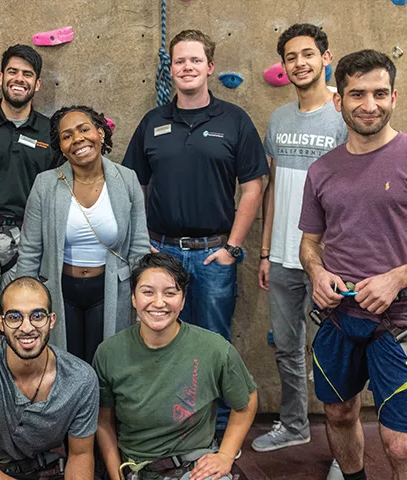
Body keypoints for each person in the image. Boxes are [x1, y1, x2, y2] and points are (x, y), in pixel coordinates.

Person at [122, 29, 268, 435]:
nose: (186, 67)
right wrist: (143, 241)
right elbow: (134, 184)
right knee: (160, 344)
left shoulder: (234, 121)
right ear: (172, 68)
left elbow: (254, 185)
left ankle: (219, 432)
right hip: (162, 256)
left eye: (194, 60)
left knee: (214, 346)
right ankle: (173, 428)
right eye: (179, 61)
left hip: (212, 256)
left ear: (210, 68)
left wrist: (233, 248)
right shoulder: (154, 122)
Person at [299, 50, 407, 480]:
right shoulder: (323, 169)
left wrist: (397, 278)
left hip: (398, 320)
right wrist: (317, 272)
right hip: (339, 318)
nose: (369, 104)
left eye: (380, 93)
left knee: (399, 442)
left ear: (394, 97)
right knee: (340, 414)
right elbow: (310, 242)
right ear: (338, 100)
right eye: (357, 94)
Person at [253, 24, 348, 454]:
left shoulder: (345, 116)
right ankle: (294, 426)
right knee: (288, 350)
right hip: (285, 258)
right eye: (291, 57)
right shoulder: (278, 118)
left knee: (336, 356)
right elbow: (273, 188)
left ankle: (343, 451)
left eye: (308, 54)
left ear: (326, 57)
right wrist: (267, 251)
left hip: (332, 261)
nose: (299, 63)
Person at [93, 252, 257, 480]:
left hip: (195, 468)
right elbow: (104, 423)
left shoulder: (214, 348)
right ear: (133, 298)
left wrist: (226, 456)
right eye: (147, 292)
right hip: (138, 470)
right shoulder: (109, 352)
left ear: (183, 299)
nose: (158, 303)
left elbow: (247, 402)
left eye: (170, 293)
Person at [17, 105, 150, 363]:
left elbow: (139, 245)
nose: (77, 139)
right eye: (67, 136)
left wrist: (141, 294)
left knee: (106, 364)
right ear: (61, 147)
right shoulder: (45, 184)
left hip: (112, 289)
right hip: (60, 289)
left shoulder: (127, 179)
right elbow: (30, 249)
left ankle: (102, 406)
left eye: (84, 129)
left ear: (100, 133)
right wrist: (26, 301)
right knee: (65, 364)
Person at [0, 276, 98, 480]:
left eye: (37, 316)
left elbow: (81, 454)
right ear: (1, 323)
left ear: (51, 320)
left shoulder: (81, 379)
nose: (26, 327)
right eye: (15, 317)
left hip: (45, 471)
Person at [0, 44, 59, 339]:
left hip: (31, 239)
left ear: (37, 84)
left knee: (23, 320)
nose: (19, 79)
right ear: (0, 77)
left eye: (27, 74)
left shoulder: (51, 133)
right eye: (13, 72)